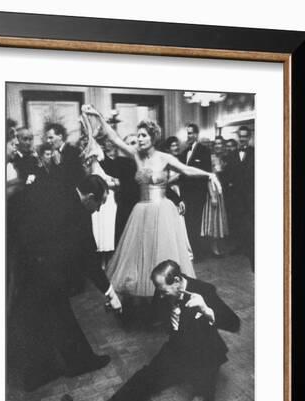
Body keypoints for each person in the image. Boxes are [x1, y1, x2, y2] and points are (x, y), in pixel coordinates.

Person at [61, 259, 240, 401]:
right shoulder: (163, 291)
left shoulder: (205, 291)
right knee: (142, 380)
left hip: (205, 351)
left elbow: (234, 323)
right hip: (177, 351)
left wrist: (207, 310)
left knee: (201, 391)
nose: (161, 296)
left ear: (177, 281)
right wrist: (120, 309)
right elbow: (149, 316)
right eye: (159, 291)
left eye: (163, 290)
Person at [82, 105, 221, 298]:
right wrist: (97, 116)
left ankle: (169, 292)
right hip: (141, 211)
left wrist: (209, 174)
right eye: (138, 135)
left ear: (153, 137)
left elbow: (186, 170)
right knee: (143, 254)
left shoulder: (164, 157)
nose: (139, 139)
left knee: (164, 253)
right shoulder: (135, 155)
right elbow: (113, 137)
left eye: (143, 135)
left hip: (162, 211)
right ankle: (148, 293)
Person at [7, 173, 122, 391]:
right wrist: (110, 293)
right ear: (89, 197)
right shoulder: (78, 213)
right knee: (46, 314)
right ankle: (66, 366)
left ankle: (48, 370)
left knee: (45, 314)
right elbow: (89, 260)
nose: (98, 210)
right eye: (99, 203)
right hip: (36, 265)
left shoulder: (58, 187)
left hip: (24, 257)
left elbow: (16, 202)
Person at [179, 123, 213, 260]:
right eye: (187, 133)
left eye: (191, 133)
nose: (189, 136)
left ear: (197, 135)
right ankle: (192, 251)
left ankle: (199, 253)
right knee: (188, 223)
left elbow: (206, 173)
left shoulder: (204, 151)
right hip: (186, 193)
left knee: (196, 223)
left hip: (198, 194)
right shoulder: (184, 152)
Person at [201, 136, 229, 256]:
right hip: (212, 190)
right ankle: (213, 248)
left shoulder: (222, 158)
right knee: (213, 219)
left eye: (220, 143)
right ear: (213, 145)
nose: (218, 146)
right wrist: (212, 196)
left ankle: (217, 246)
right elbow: (208, 178)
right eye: (216, 143)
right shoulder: (211, 158)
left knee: (218, 220)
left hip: (220, 191)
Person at [233, 125, 255, 270]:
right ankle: (240, 246)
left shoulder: (255, 153)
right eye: (240, 136)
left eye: (245, 136)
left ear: (249, 137)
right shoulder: (232, 154)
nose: (242, 139)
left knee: (250, 222)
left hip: (251, 194)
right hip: (236, 195)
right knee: (238, 221)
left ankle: (250, 249)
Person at [45, 122, 84, 192]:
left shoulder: (74, 151)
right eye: (47, 138)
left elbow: (74, 178)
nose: (48, 141)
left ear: (60, 136)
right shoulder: (54, 154)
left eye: (51, 138)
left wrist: (59, 164)